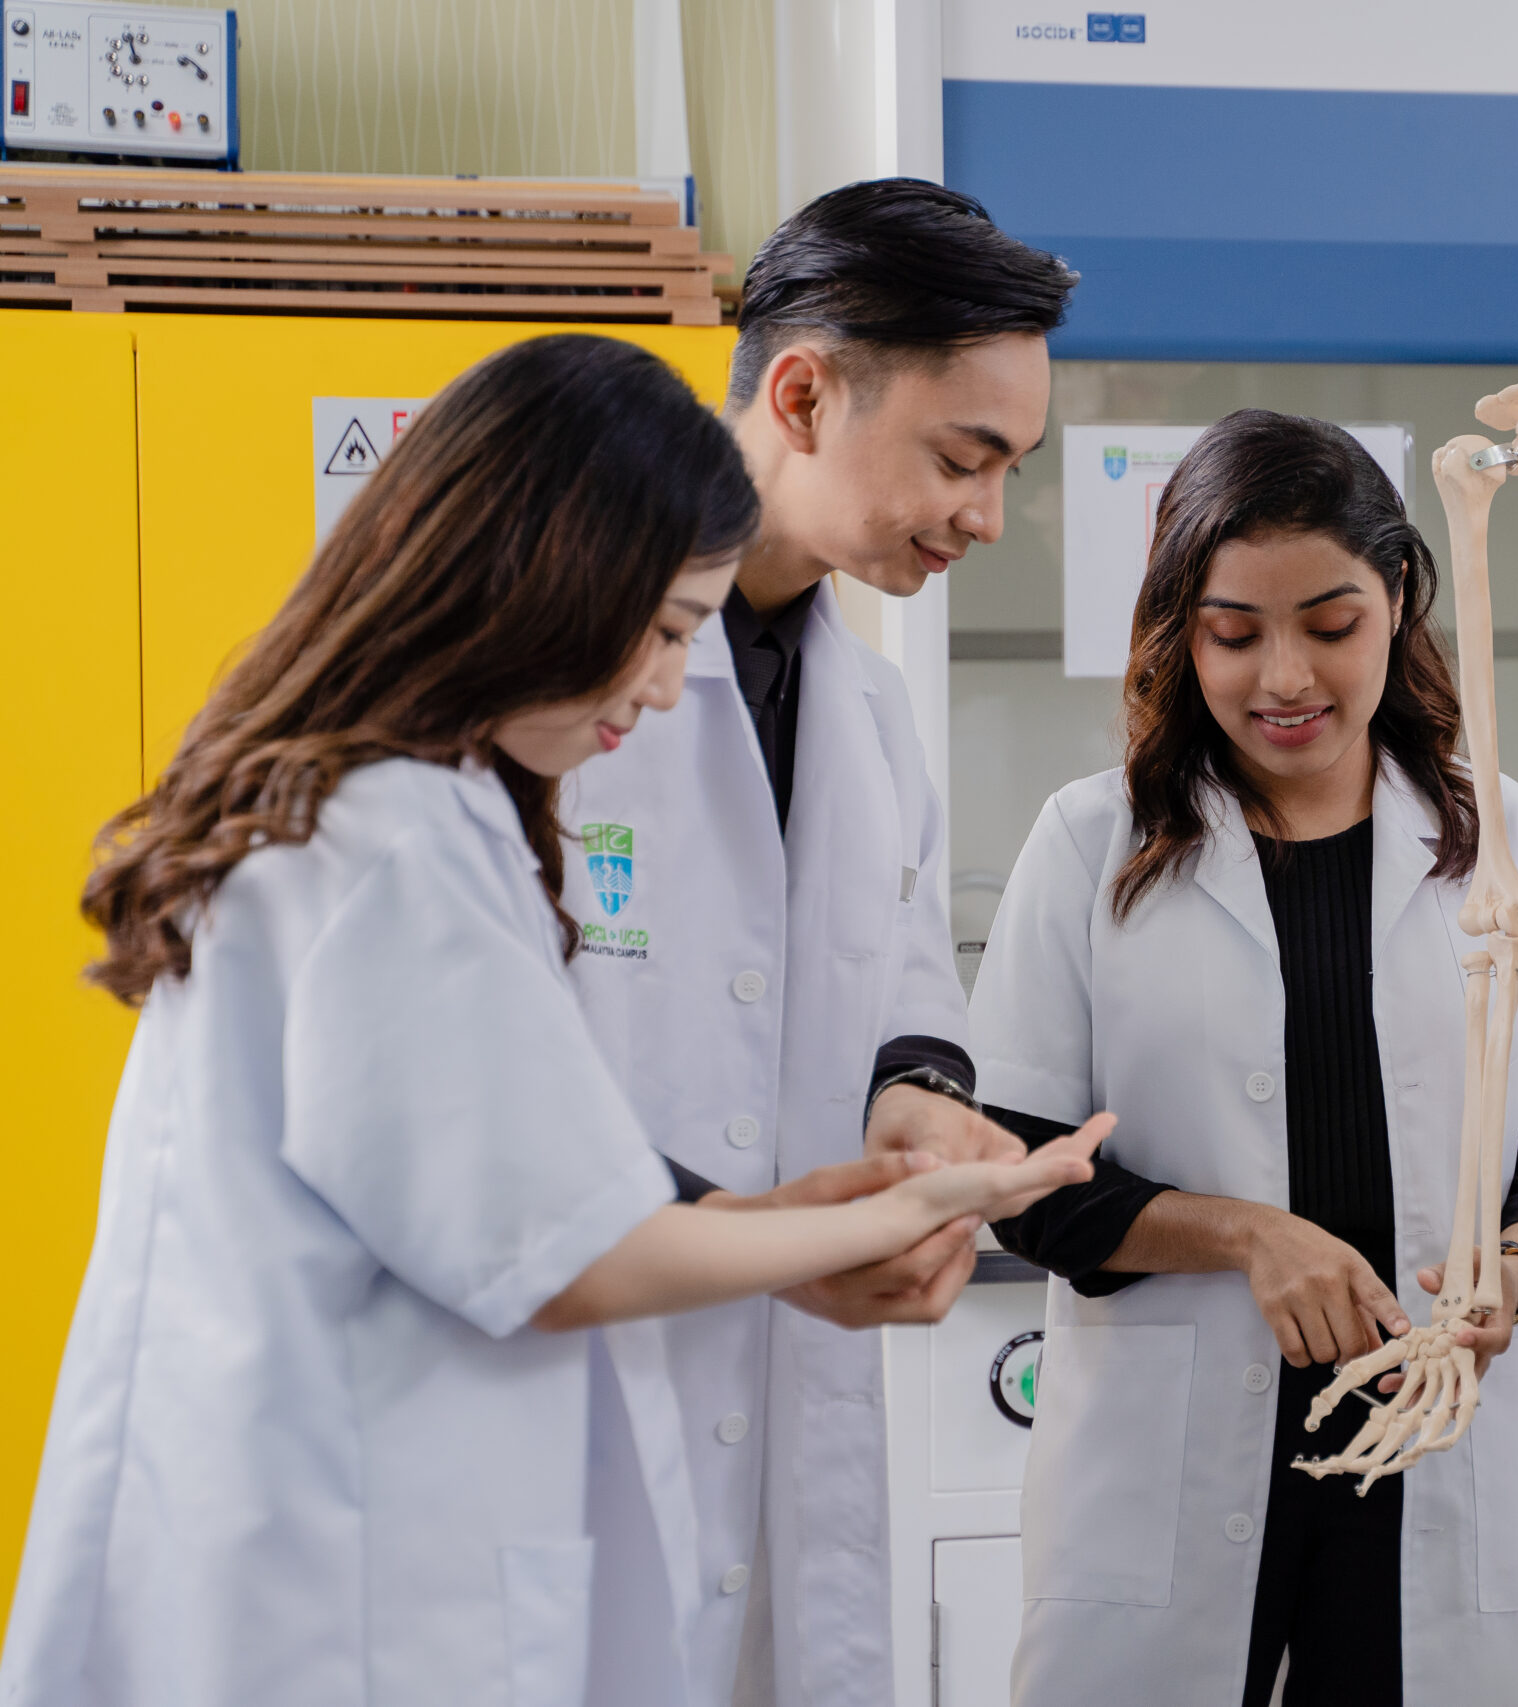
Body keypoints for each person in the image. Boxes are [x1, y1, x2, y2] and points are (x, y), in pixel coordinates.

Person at [0, 335, 1104, 1707]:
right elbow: (564, 1250)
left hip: (370, 1525)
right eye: (659, 633)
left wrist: (799, 1211)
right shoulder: (396, 837)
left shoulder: (407, 810)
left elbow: (512, 1175)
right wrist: (890, 1214)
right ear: (538, 574)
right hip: (322, 1576)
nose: (658, 686)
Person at [968, 411, 1518, 1707]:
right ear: (1178, 631)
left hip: (1435, 1450)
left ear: (1399, 598)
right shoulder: (1093, 844)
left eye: (1330, 623)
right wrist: (1248, 1236)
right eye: (1234, 633)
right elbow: (1019, 1175)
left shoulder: (1509, 839)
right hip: (1177, 1470)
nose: (1284, 677)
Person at [559, 181, 1079, 1706]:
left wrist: (916, 1104)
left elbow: (899, 992)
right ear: (800, 393)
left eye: (1010, 469)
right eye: (960, 458)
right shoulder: (553, 694)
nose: (986, 515)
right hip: (581, 1401)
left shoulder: (867, 712)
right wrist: (772, 1244)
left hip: (790, 1421)